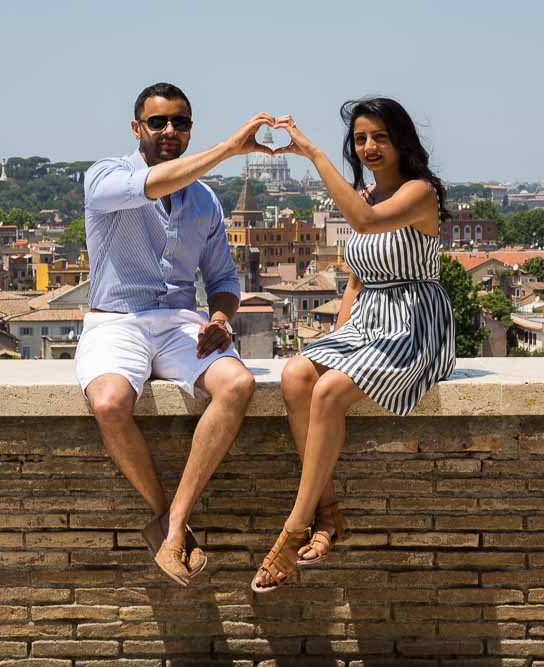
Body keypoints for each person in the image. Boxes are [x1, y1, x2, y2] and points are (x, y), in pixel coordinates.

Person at [251, 98, 457, 592]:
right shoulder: (363, 193)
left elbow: (365, 225)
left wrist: (314, 155)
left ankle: (298, 526)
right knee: (297, 374)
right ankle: (328, 512)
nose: (368, 147)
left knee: (328, 394)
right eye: (361, 139)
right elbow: (355, 281)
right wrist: (338, 337)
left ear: (401, 141)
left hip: (414, 324)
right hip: (368, 321)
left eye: (379, 137)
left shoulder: (419, 193)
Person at [77, 82, 274, 586]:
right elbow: (153, 185)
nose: (169, 131)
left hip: (181, 324)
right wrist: (230, 149)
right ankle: (169, 520)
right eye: (158, 122)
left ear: (190, 128)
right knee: (108, 403)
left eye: (180, 123)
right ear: (136, 127)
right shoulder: (105, 176)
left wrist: (222, 319)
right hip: (116, 319)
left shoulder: (205, 201)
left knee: (238, 385)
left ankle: (174, 526)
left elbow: (224, 280)